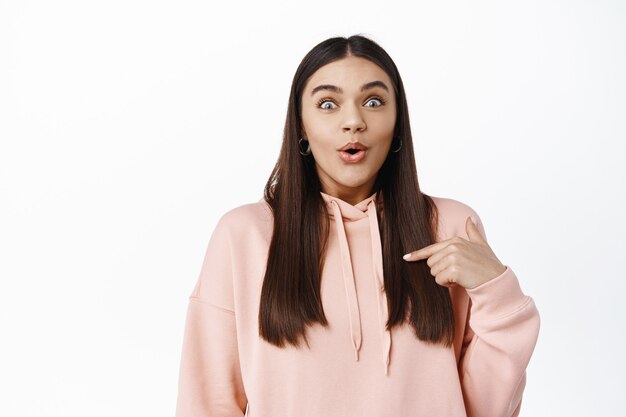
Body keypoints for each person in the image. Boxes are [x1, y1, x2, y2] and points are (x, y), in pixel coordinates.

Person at [174, 34, 540, 417]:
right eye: (328, 104)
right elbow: (208, 403)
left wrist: (497, 290)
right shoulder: (243, 235)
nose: (353, 121)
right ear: (301, 126)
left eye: (374, 101)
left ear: (398, 123)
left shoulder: (450, 226)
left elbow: (484, 409)